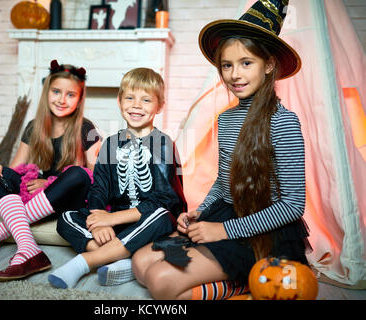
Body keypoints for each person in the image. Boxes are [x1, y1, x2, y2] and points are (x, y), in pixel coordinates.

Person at [131, 0, 311, 300]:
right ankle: (238, 277)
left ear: (268, 66)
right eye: (227, 65)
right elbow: (223, 181)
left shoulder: (284, 123)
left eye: (246, 63)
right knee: (140, 263)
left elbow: (293, 205)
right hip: (225, 213)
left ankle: (247, 281)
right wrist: (201, 211)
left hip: (264, 229)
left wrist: (223, 231)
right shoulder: (226, 119)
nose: (234, 74)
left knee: (160, 282)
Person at [48, 67, 187, 289]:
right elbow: (99, 188)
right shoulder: (111, 144)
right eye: (130, 97)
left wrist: (113, 219)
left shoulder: (163, 144)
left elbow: (164, 199)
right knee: (66, 218)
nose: (136, 105)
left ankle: (85, 262)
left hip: (151, 221)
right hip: (119, 225)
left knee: (161, 216)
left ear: (159, 106)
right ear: (119, 100)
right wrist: (98, 219)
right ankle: (123, 259)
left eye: (146, 100)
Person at [0, 60, 101, 281]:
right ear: (47, 92)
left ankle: (0, 231)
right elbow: (16, 170)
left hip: (71, 196)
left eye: (70, 95)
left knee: (78, 174)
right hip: (40, 199)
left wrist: (48, 183)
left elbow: (95, 174)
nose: (61, 99)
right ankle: (29, 249)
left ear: (79, 99)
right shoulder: (33, 127)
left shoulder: (86, 128)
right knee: (2, 175)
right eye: (56, 91)